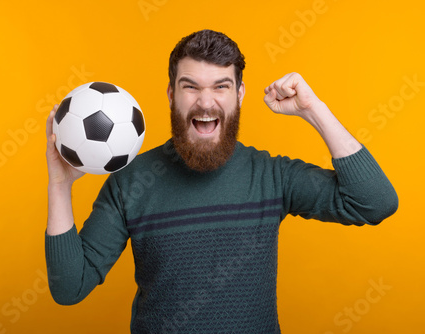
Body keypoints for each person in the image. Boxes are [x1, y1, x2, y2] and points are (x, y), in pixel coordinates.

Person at [45, 29, 398, 333]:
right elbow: (70, 287)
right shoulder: (131, 182)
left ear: (239, 95)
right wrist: (60, 186)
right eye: (191, 87)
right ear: (171, 94)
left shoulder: (271, 176)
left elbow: (375, 202)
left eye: (221, 87)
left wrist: (313, 110)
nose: (205, 102)